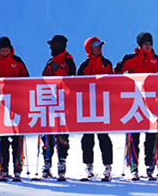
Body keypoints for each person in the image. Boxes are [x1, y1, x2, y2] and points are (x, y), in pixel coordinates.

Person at [114, 32, 158, 180]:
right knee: (134, 136)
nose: (148, 46)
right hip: (134, 104)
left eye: (150, 43)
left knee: (151, 137)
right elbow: (116, 73)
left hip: (152, 105)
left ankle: (150, 165)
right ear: (139, 44)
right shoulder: (130, 59)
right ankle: (134, 166)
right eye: (145, 44)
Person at [0, 36, 30, 181]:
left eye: (7, 50)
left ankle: (17, 169)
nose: (4, 52)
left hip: (16, 106)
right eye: (2, 50)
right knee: (2, 139)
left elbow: (26, 78)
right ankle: (3, 169)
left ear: (10, 49)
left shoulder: (17, 61)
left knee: (17, 139)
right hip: (0, 107)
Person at [78, 37, 114, 181]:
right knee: (87, 138)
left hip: (103, 107)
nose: (99, 48)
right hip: (87, 108)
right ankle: (89, 166)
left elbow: (113, 82)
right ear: (89, 49)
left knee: (104, 137)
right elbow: (77, 85)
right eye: (96, 46)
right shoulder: (84, 66)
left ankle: (108, 166)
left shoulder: (107, 63)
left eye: (100, 46)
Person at [41, 35, 76, 180]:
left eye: (53, 45)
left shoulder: (68, 61)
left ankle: (62, 162)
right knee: (47, 135)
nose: (51, 48)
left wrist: (58, 71)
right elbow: (43, 79)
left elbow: (72, 81)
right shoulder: (50, 61)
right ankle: (47, 163)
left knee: (62, 135)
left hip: (63, 104)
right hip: (49, 103)